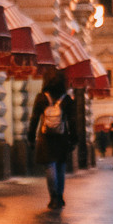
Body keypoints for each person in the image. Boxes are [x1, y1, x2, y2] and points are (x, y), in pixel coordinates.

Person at [30, 73, 73, 209]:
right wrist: (74, 139)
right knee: (60, 167)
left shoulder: (41, 98)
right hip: (62, 138)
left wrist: (30, 137)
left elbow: (34, 119)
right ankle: (60, 197)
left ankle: (53, 197)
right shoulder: (66, 99)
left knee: (50, 167)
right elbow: (73, 121)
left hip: (45, 138)